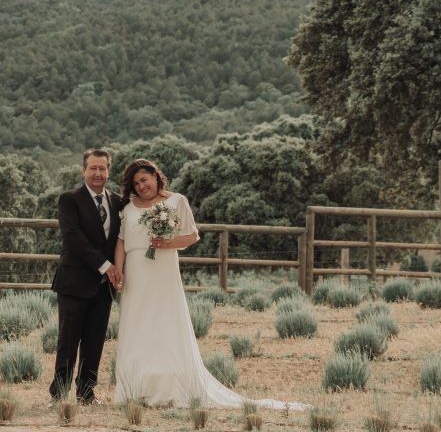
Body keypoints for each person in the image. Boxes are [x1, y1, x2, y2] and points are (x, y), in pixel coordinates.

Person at [111, 158, 302, 410]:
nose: (141, 186)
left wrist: (168, 243)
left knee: (165, 320)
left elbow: (192, 235)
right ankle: (135, 388)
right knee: (137, 322)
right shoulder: (128, 208)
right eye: (136, 183)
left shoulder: (177, 201)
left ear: (155, 177)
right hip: (136, 270)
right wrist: (119, 269)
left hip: (163, 269)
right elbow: (121, 241)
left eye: (144, 180)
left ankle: (170, 386)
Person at [49, 148, 123, 405]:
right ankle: (59, 395)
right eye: (93, 168)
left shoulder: (118, 202)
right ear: (84, 170)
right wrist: (105, 265)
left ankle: (86, 394)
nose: (98, 173)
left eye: (102, 168)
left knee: (94, 343)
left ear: (108, 171)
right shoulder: (69, 200)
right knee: (68, 342)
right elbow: (73, 238)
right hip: (74, 283)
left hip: (103, 287)